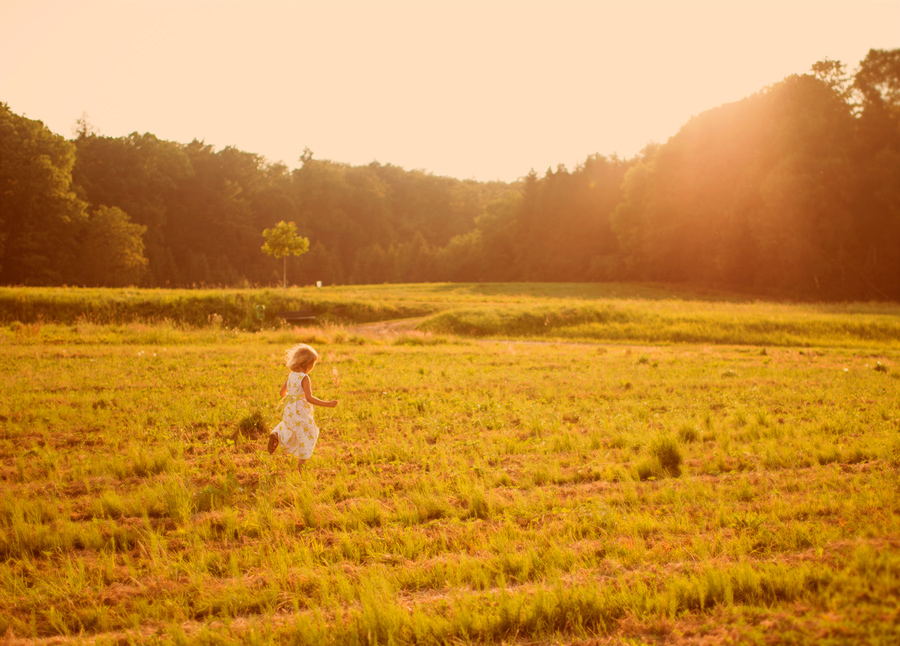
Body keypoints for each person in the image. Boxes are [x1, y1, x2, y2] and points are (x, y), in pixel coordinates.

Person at [267, 343, 337, 471]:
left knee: (289, 426)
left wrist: (292, 396)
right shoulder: (305, 378)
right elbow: (309, 398)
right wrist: (327, 404)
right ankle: (301, 465)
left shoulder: (291, 375)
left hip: (290, 408)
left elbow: (282, 393)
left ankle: (277, 434)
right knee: (310, 433)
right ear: (308, 364)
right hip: (301, 410)